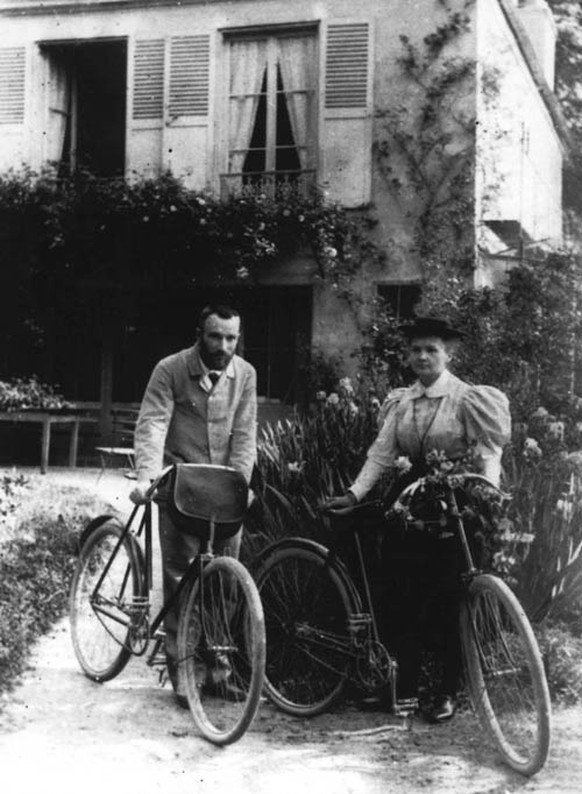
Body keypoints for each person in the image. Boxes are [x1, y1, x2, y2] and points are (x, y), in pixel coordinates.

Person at [322, 316, 511, 722]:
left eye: (432, 350)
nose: (423, 357)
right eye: (416, 350)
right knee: (399, 594)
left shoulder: (467, 399)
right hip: (408, 504)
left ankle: (445, 690)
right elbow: (381, 453)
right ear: (408, 356)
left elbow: (488, 452)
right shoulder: (402, 401)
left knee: (448, 596)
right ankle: (400, 686)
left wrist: (487, 493)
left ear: (448, 354)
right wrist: (354, 494)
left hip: (455, 503)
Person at [130, 304, 257, 707]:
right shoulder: (170, 369)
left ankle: (219, 671)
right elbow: (152, 423)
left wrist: (242, 484)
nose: (223, 346)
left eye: (231, 338)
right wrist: (148, 477)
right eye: (216, 336)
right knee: (183, 577)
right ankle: (183, 669)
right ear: (199, 333)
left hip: (223, 489)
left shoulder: (245, 375)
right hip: (181, 485)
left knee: (224, 580)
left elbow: (244, 435)